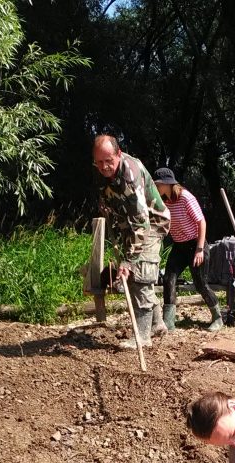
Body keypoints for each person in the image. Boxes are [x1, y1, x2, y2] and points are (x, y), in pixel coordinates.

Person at [92, 135, 170, 348]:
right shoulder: (101, 171)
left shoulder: (130, 174)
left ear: (118, 154)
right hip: (129, 225)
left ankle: (143, 337)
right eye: (99, 162)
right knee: (134, 271)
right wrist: (106, 206)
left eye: (108, 160)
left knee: (140, 271)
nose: (104, 166)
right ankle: (157, 324)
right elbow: (107, 195)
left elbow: (141, 222)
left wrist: (128, 262)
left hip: (151, 223)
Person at [152, 167, 222, 332]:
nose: (156, 187)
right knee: (169, 278)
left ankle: (218, 318)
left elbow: (201, 222)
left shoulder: (185, 197)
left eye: (157, 184)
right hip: (179, 246)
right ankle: (168, 322)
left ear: (167, 184)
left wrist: (199, 249)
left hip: (196, 244)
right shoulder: (164, 201)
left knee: (200, 283)